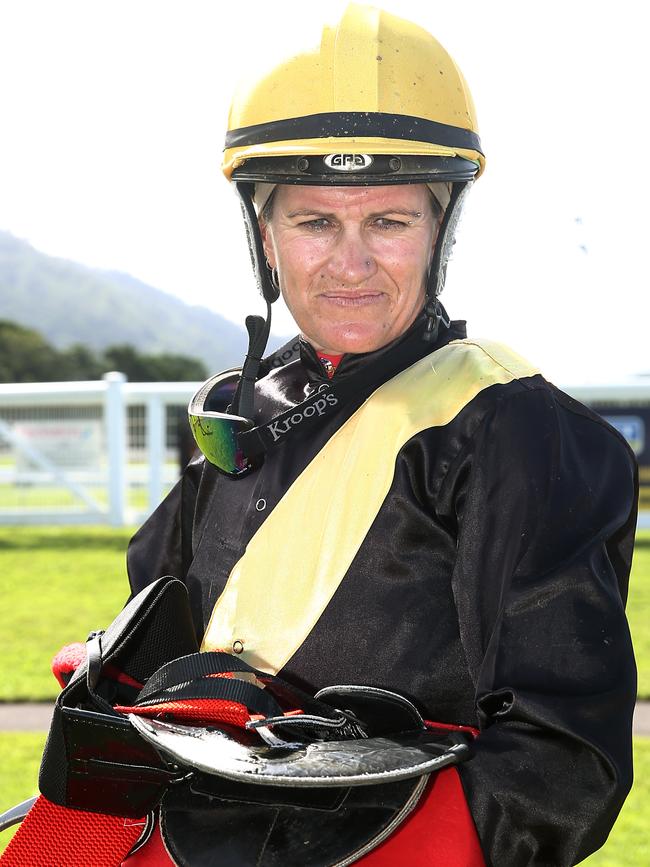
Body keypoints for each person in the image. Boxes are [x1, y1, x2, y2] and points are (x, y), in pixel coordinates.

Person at [2, 4, 636, 867]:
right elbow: (162, 613)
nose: (350, 262)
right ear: (265, 236)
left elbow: (561, 762)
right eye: (314, 222)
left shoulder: (519, 433)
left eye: (389, 220)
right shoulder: (241, 408)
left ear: (439, 230)